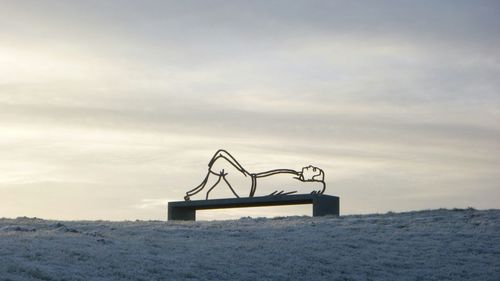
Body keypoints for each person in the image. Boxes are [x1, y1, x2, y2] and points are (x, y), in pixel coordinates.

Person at [184, 149, 326, 201]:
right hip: (251, 180)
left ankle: (201, 193)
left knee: (221, 158)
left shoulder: (299, 184)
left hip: (250, 188)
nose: (312, 167)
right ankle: (201, 192)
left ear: (311, 179)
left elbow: (320, 185)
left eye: (314, 171)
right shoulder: (295, 175)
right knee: (220, 156)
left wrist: (317, 181)